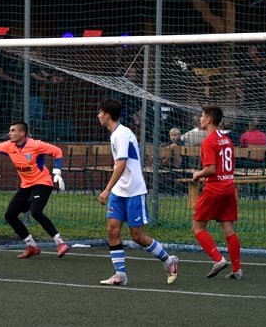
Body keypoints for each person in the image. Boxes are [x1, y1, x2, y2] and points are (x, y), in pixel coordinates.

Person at [96, 97, 178, 286]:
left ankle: (169, 260)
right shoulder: (115, 134)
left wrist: (106, 189)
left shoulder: (122, 134)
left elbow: (121, 164)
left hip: (133, 190)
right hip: (119, 191)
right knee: (112, 229)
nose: (98, 115)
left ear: (107, 115)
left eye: (100, 112)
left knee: (137, 235)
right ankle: (120, 275)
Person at [0, 121, 69, 259]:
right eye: (9, 130)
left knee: (36, 212)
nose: (9, 133)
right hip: (26, 185)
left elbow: (57, 151)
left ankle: (60, 243)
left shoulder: (36, 145)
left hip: (42, 183)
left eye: (13, 130)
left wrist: (57, 173)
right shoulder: (8, 145)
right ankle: (32, 246)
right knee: (10, 215)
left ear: (22, 133)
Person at [192, 105, 242, 280]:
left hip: (214, 189)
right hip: (228, 188)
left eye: (202, 116)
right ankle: (237, 269)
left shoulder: (208, 141)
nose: (200, 118)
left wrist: (198, 174)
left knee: (198, 227)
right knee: (229, 228)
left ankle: (218, 259)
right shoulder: (226, 139)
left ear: (209, 120)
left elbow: (211, 169)